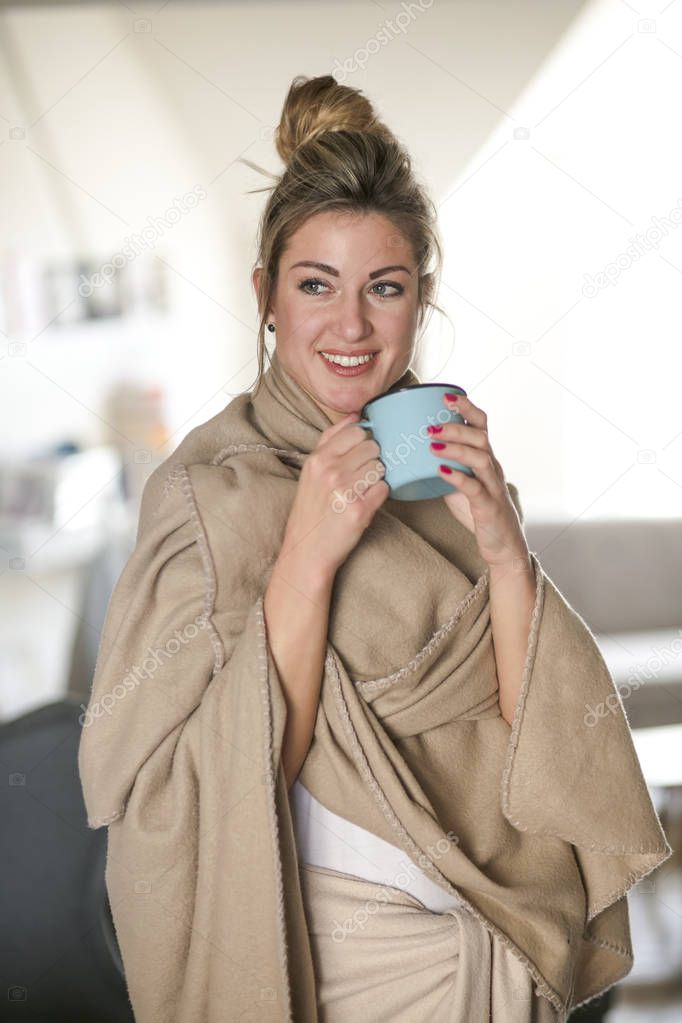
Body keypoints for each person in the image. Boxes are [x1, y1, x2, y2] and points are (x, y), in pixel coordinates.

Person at [78, 74, 671, 1023]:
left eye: (383, 288)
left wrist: (509, 553)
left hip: (492, 935)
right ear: (267, 294)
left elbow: (536, 735)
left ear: (420, 299)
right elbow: (192, 793)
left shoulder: (453, 477)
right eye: (317, 285)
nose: (350, 327)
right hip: (334, 962)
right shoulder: (210, 494)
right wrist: (306, 557)